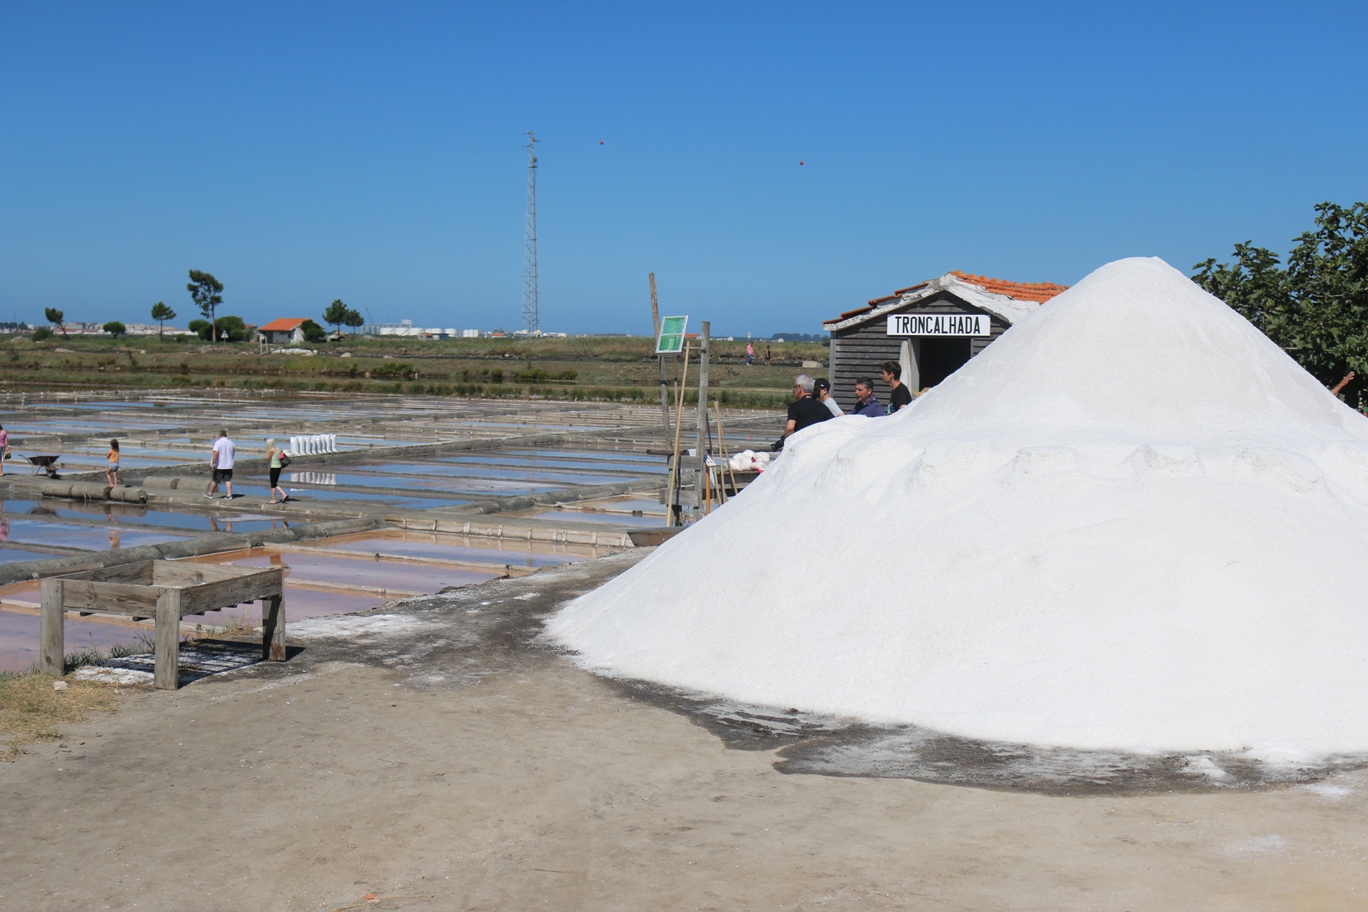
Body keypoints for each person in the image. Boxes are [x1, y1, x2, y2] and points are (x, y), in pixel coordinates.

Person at [775, 374, 833, 449]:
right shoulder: (823, 407)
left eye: (794, 387)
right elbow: (833, 424)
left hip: (800, 448)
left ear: (799, 388)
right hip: (817, 447)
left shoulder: (794, 407)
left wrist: (785, 441)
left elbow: (790, 428)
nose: (793, 391)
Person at [206, 429, 235, 499]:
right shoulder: (231, 443)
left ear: (220, 435)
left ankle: (210, 493)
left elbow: (215, 453)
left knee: (215, 480)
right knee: (228, 480)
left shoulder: (218, 443)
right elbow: (233, 454)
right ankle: (229, 495)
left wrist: (213, 463)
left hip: (219, 465)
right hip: (229, 465)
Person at [265, 438, 288, 504]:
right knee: (274, 483)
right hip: (279, 467)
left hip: (274, 467)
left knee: (273, 484)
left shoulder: (272, 450)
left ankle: (273, 499)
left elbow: (267, 459)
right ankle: (283, 494)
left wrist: (267, 453)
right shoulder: (278, 449)